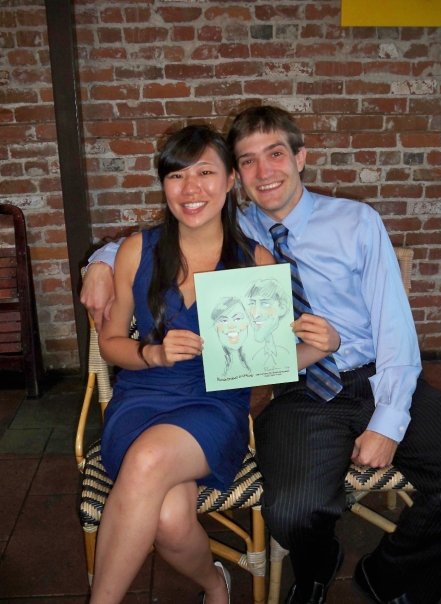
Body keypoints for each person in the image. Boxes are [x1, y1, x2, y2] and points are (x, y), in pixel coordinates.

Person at [81, 105, 441, 604]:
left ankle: (387, 575)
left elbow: (396, 330)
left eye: (275, 154)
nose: (264, 172)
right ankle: (315, 566)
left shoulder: (353, 223)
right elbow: (164, 235)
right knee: (289, 511)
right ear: (239, 176)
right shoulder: (237, 227)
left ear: (300, 157)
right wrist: (100, 263)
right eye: (248, 160)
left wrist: (387, 419)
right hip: (298, 388)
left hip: (373, 374)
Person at [85, 123, 340, 604]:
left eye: (205, 172)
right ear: (164, 184)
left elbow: (271, 360)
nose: (190, 188)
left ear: (229, 181)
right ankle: (214, 584)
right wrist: (151, 353)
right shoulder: (137, 251)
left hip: (214, 406)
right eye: (176, 175)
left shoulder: (255, 262)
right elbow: (111, 342)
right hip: (140, 400)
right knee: (169, 518)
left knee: (148, 459)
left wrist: (324, 346)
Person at [245, 278, 290, 370]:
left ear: (282, 308)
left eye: (265, 304)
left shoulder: (287, 351)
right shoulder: (250, 356)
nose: (256, 314)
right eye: (252, 303)